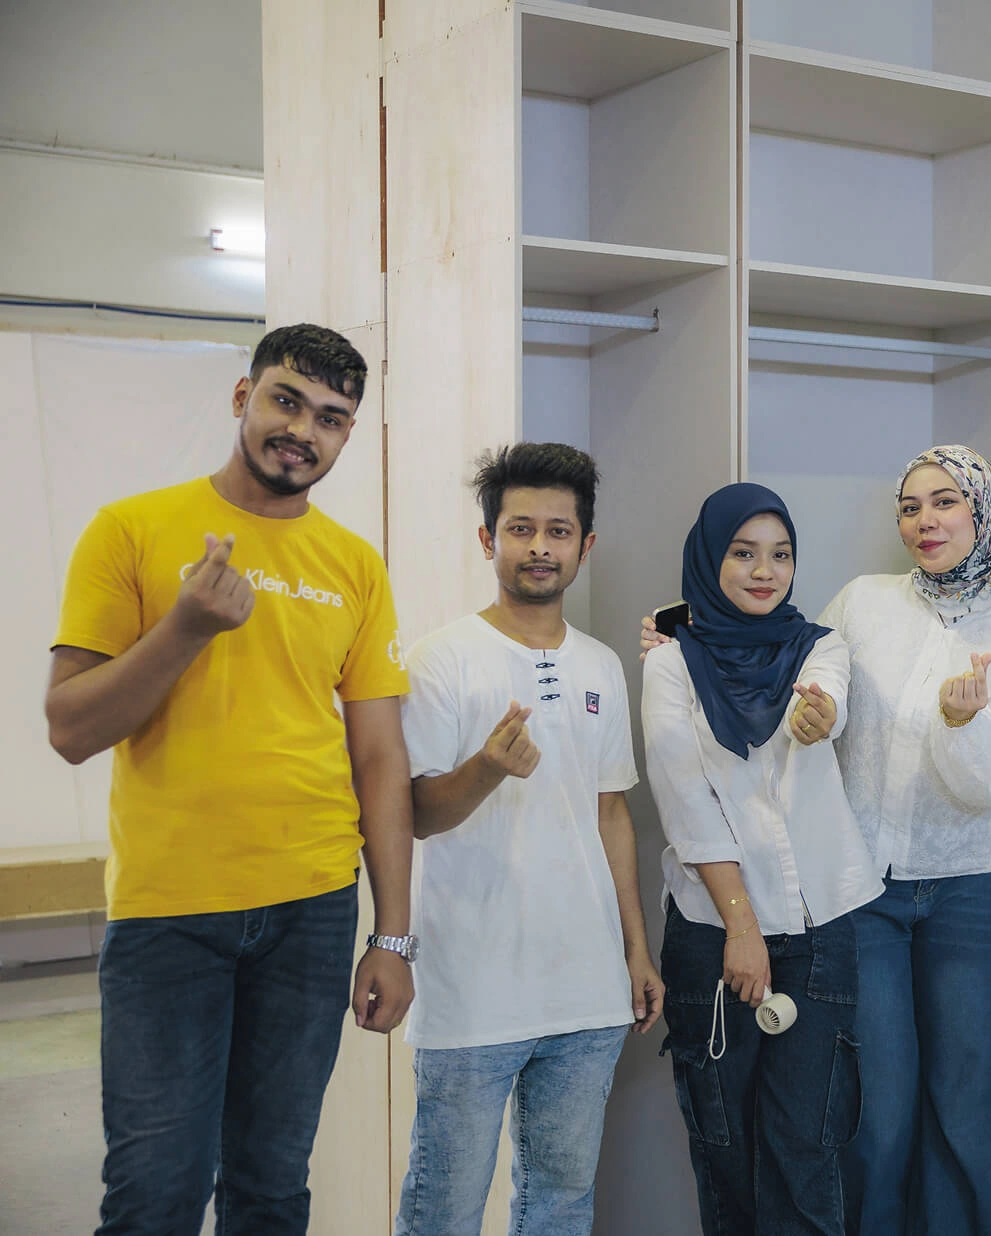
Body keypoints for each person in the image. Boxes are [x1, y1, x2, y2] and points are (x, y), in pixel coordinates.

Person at [45, 323, 415, 1235]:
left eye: (330, 418)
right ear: (243, 396)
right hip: (169, 911)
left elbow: (379, 757)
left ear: (347, 434)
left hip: (312, 910)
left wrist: (392, 937)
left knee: (271, 1189)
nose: (303, 431)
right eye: (287, 401)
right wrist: (185, 628)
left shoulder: (355, 565)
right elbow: (70, 729)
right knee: (154, 1195)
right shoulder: (131, 529)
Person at [640, 445, 991, 1236]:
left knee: (971, 1104)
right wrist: (681, 631)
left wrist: (961, 725)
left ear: (985, 510)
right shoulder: (864, 604)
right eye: (910, 506)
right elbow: (781, 648)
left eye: (945, 501)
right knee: (875, 1109)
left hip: (969, 893)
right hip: (863, 895)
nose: (925, 520)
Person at [393, 443, 664, 1235]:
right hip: (470, 994)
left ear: (585, 545)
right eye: (520, 529)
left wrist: (635, 951)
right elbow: (415, 815)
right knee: (442, 1213)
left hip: (586, 993)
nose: (539, 546)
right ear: (489, 540)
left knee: (560, 1206)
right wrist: (486, 768)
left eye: (558, 531)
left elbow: (611, 815)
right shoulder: (442, 659)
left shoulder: (602, 666)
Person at [645, 482, 883, 1236]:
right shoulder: (669, 664)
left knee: (807, 1146)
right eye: (744, 553)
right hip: (712, 931)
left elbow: (827, 696)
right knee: (727, 1152)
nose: (764, 571)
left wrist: (821, 715)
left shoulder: (817, 647)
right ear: (710, 558)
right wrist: (742, 927)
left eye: (780, 555)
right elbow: (687, 804)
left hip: (818, 928)